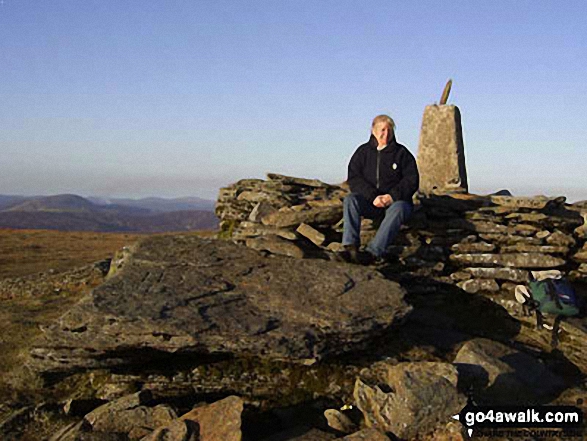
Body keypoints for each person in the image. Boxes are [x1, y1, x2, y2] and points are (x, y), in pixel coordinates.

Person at [341, 114, 419, 264]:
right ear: (373, 131)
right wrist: (373, 197)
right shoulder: (362, 152)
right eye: (382, 130)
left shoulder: (402, 153)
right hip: (371, 203)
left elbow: (411, 181)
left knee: (400, 208)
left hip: (395, 203)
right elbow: (354, 178)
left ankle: (373, 253)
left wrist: (391, 197)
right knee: (350, 200)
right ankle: (350, 248)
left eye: (389, 130)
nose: (386, 134)